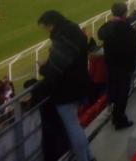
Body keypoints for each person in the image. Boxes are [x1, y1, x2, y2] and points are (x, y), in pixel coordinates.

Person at [37, 10, 94, 161]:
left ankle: (84, 158)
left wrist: (43, 67)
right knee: (75, 125)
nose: (46, 31)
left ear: (52, 24)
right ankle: (89, 156)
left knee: (72, 127)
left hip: (67, 90)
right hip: (79, 84)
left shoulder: (64, 38)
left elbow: (55, 68)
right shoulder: (73, 30)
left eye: (46, 27)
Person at [98, 2, 136, 129]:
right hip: (124, 66)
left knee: (114, 90)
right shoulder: (127, 29)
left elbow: (100, 34)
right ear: (124, 12)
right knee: (122, 93)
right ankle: (119, 119)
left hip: (111, 65)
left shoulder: (109, 27)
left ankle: (115, 115)